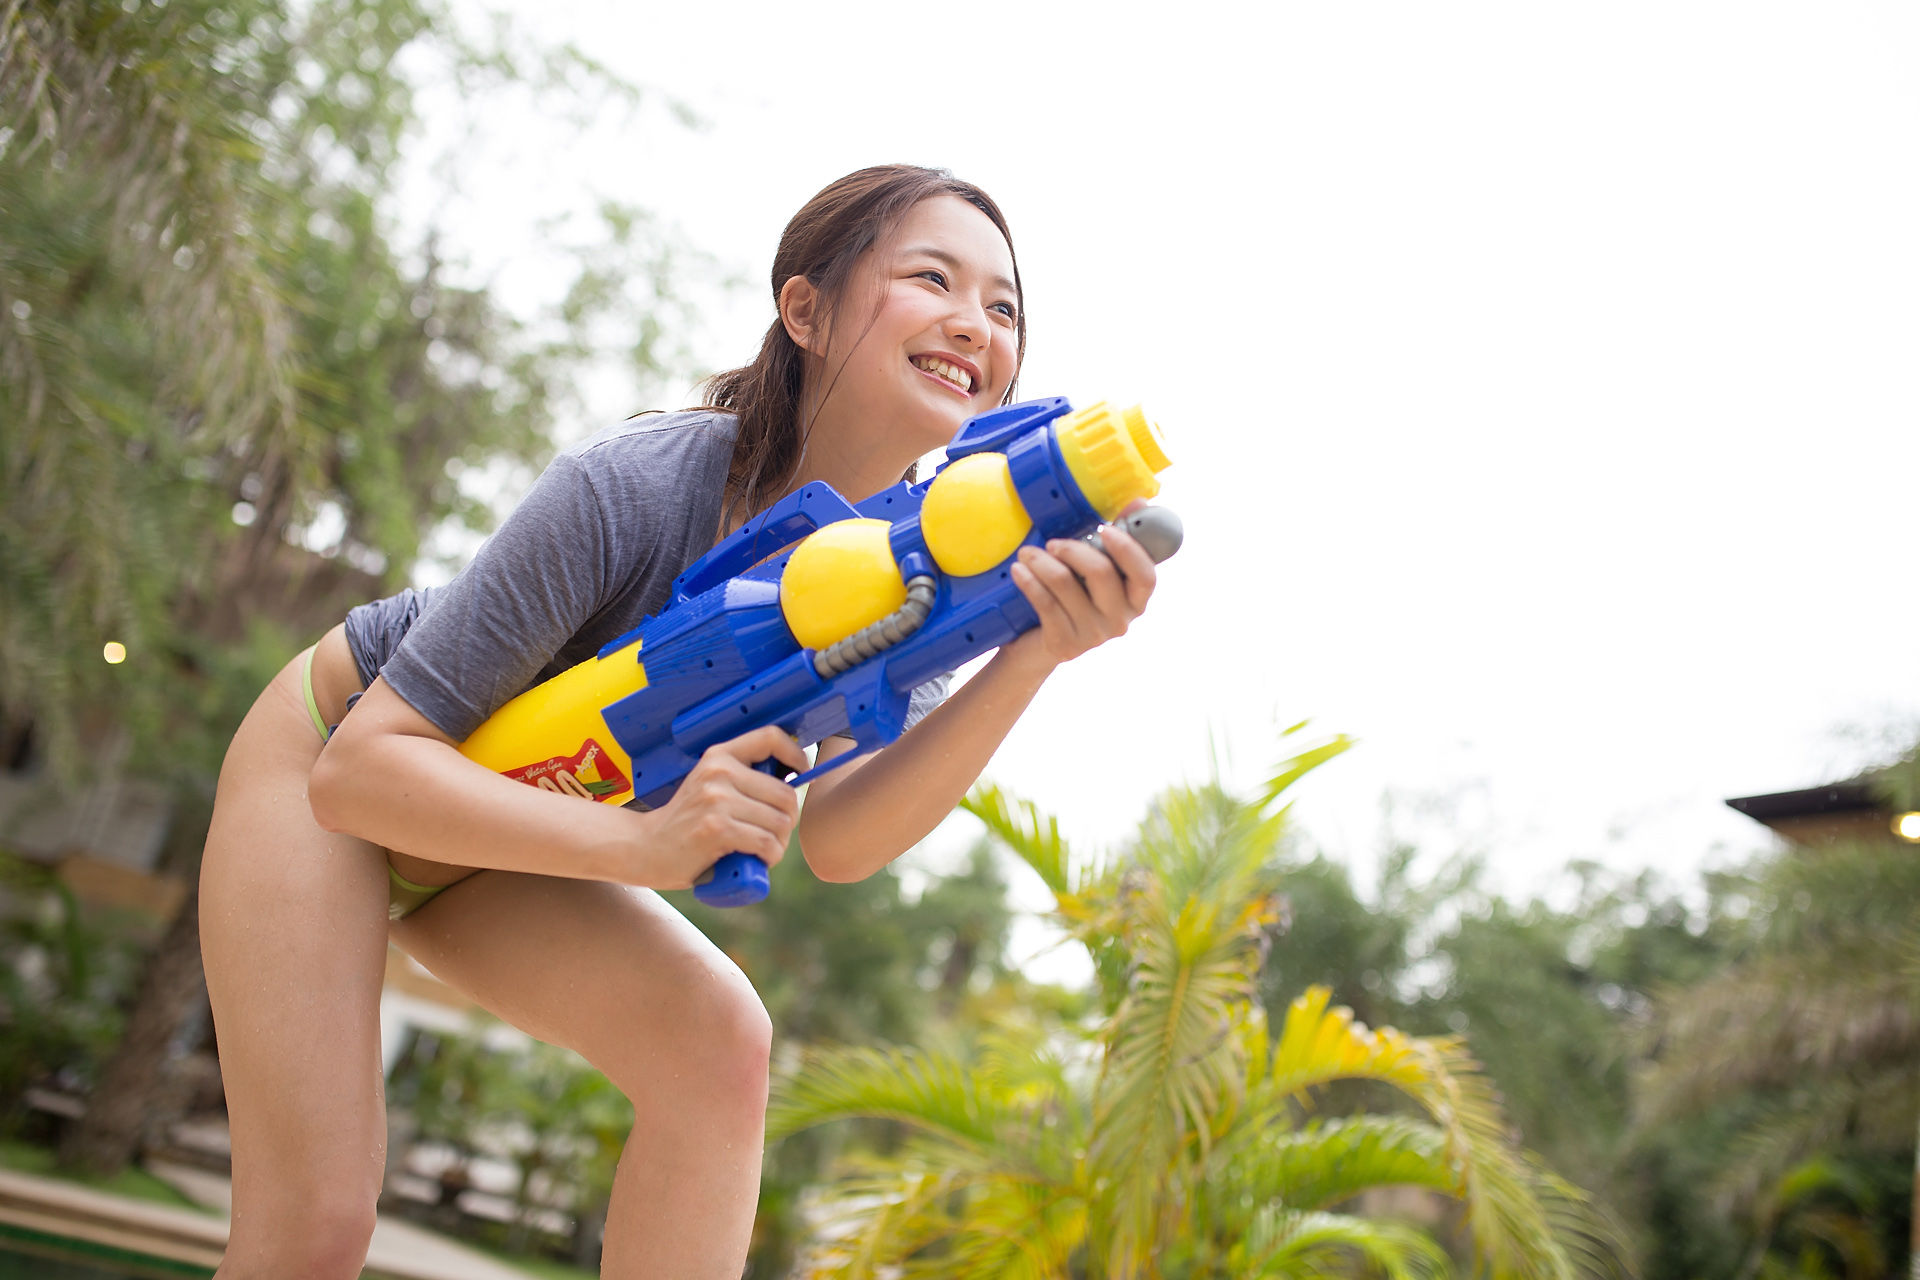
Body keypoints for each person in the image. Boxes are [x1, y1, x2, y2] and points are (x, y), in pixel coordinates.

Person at [198, 163, 1159, 1280]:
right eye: (931, 278)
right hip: (341, 761)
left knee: (720, 1044)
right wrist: (647, 846)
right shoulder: (642, 487)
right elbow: (359, 776)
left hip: (516, 838)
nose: (974, 323)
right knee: (315, 1224)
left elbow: (841, 836)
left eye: (1004, 307)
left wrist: (1032, 647)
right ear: (804, 310)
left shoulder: (921, 571)